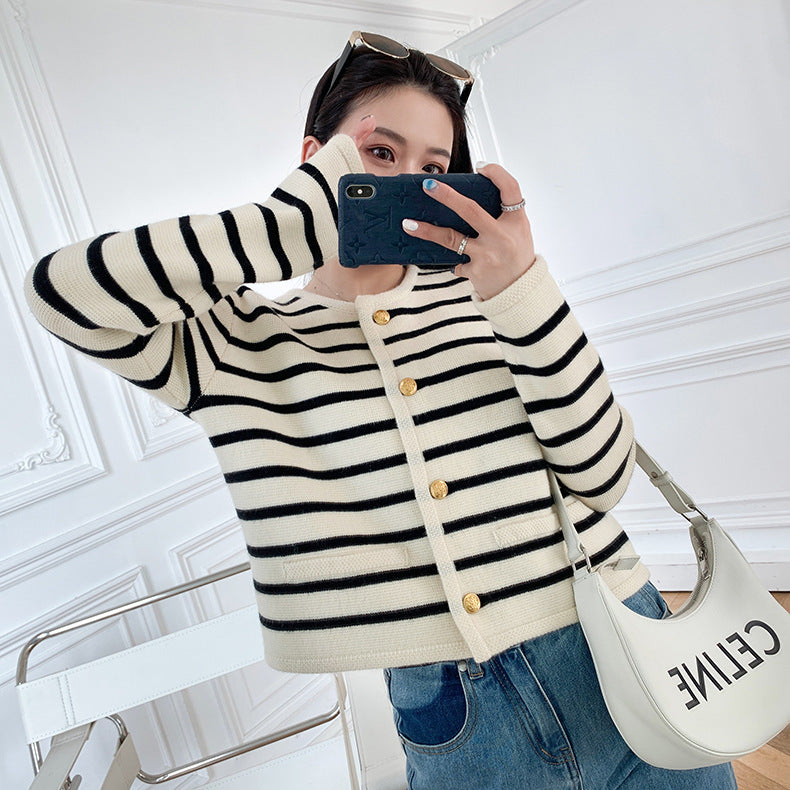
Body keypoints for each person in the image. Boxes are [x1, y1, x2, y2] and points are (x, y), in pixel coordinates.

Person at [23, 30, 738, 790]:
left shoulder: (493, 295)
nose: (408, 184)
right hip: (453, 712)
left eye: (433, 169)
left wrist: (524, 289)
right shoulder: (236, 341)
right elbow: (61, 292)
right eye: (380, 153)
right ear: (315, 158)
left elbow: (602, 477)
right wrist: (293, 222)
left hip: (619, 644)